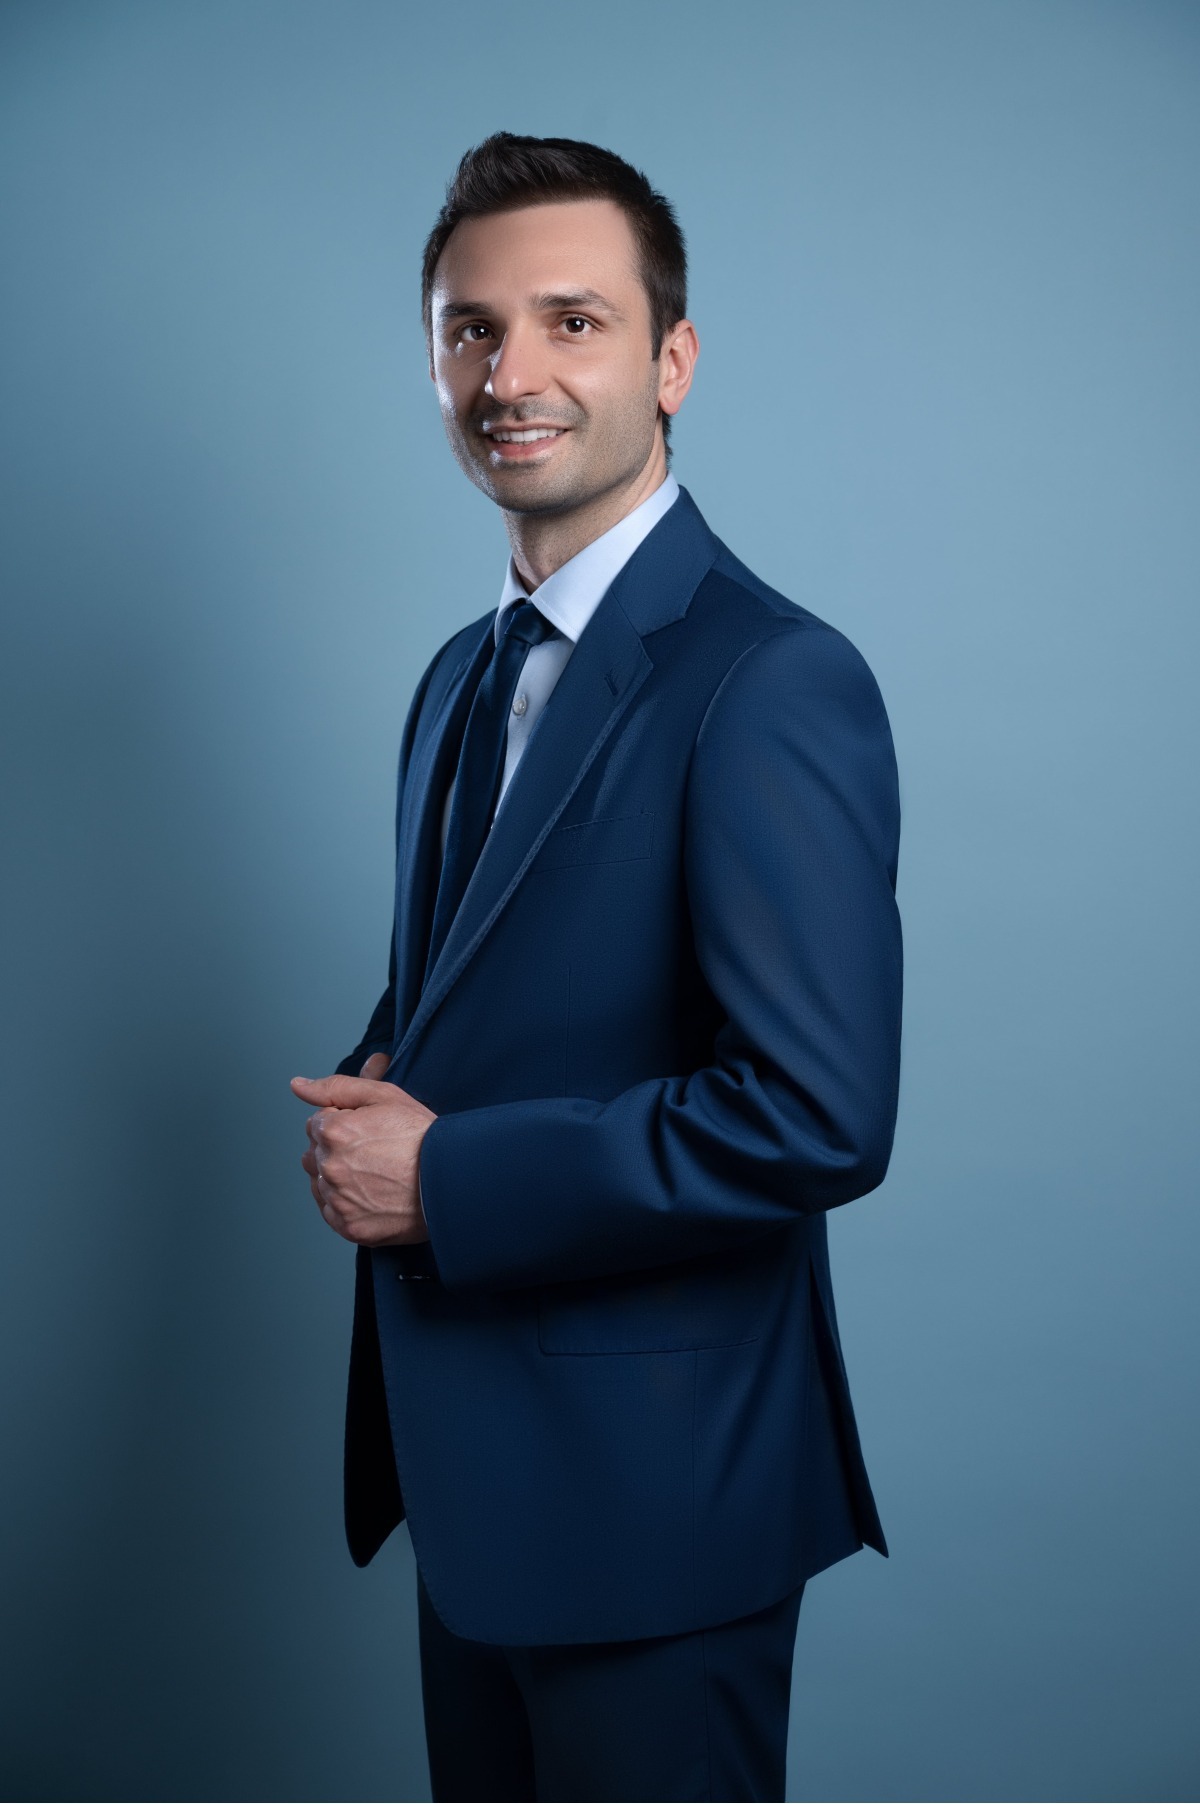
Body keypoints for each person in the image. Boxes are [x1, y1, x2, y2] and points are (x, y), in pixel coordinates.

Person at [291, 132, 902, 1804]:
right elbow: (489, 986)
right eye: (471, 331)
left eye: (573, 321)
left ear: (671, 360)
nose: (512, 376)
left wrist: (444, 1178)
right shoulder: (460, 676)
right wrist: (373, 1094)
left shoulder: (772, 681)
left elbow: (817, 1117)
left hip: (659, 1508)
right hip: (473, 1482)